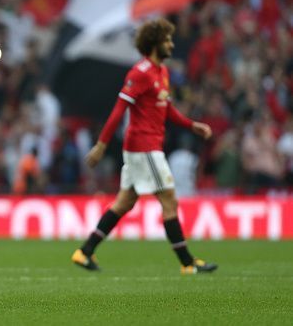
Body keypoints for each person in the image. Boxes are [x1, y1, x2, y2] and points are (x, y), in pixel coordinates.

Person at [71, 18, 218, 275]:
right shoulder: (139, 73)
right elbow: (119, 110)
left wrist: (191, 125)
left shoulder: (162, 72)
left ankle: (84, 251)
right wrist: (101, 145)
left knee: (124, 203)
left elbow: (166, 108)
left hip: (148, 146)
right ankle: (187, 263)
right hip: (144, 147)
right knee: (170, 200)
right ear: (154, 44)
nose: (172, 44)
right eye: (167, 40)